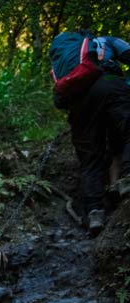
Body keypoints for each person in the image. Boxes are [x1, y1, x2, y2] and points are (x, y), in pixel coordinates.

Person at [53, 32, 130, 235]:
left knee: (90, 159)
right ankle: (127, 179)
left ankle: (95, 212)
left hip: (79, 105)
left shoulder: (62, 63)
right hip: (110, 84)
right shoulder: (106, 41)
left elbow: (59, 100)